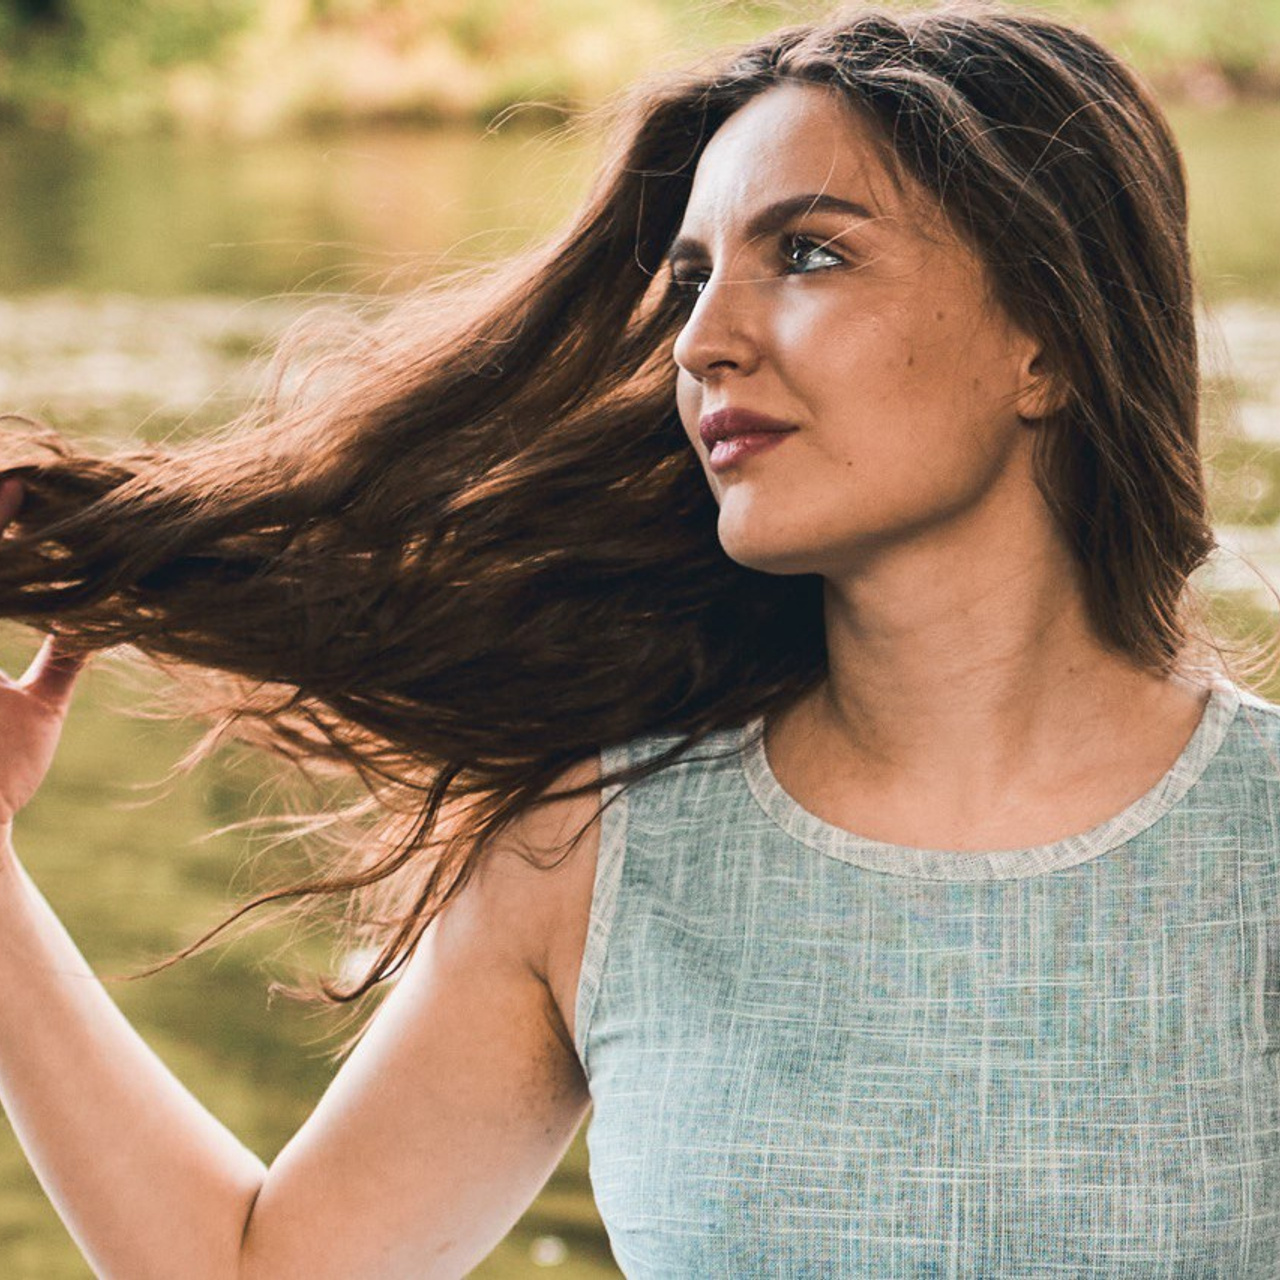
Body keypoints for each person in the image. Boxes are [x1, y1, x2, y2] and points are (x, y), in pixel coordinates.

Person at [1, 1, 1278, 1275]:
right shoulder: (598, 843)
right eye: (690, 280)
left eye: (810, 254)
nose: (705, 341)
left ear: (1044, 339)